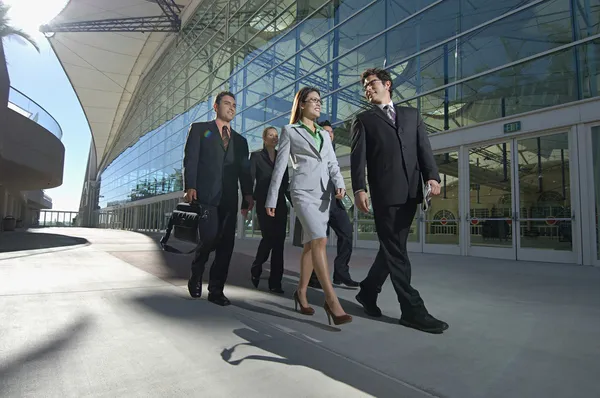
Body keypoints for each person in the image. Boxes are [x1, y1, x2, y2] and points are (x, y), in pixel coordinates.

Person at [350, 68, 449, 334]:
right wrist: (359, 188)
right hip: (384, 194)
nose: (367, 89)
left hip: (410, 193)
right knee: (397, 253)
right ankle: (412, 311)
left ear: (387, 84)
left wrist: (433, 177)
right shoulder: (364, 120)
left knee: (392, 249)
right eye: (365, 87)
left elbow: (423, 148)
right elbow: (357, 159)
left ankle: (368, 291)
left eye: (371, 84)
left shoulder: (412, 115)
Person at [266, 87, 352, 326]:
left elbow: (332, 163)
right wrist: (272, 198)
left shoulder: (324, 135)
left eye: (319, 100)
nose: (318, 104)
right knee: (320, 240)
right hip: (302, 193)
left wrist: (340, 183)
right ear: (301, 105)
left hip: (324, 194)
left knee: (309, 245)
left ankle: (301, 293)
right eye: (312, 100)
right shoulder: (290, 131)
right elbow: (281, 166)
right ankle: (331, 300)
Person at [182, 91, 254, 306]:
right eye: (226, 103)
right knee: (209, 238)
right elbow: (191, 159)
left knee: (226, 245)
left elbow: (245, 171)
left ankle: (216, 290)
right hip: (205, 196)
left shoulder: (241, 141)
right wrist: (190, 186)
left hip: (229, 199)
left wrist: (248, 194)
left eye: (234, 104)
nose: (231, 107)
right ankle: (197, 272)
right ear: (215, 107)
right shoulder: (200, 130)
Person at [308, 120, 359, 289]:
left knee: (347, 234)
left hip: (336, 204)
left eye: (331, 132)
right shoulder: (312, 151)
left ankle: (341, 273)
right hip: (318, 204)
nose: (329, 134)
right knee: (317, 241)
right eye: (325, 131)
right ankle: (314, 276)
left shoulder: (333, 153)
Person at [249, 126, 291, 294]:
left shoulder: (282, 157)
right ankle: (256, 266)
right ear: (264, 138)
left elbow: (286, 182)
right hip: (263, 202)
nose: (274, 138)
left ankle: (276, 282)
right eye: (271, 135)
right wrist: (248, 199)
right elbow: (250, 177)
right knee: (268, 238)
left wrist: (294, 201)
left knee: (279, 243)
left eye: (276, 136)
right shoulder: (256, 156)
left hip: (280, 203)